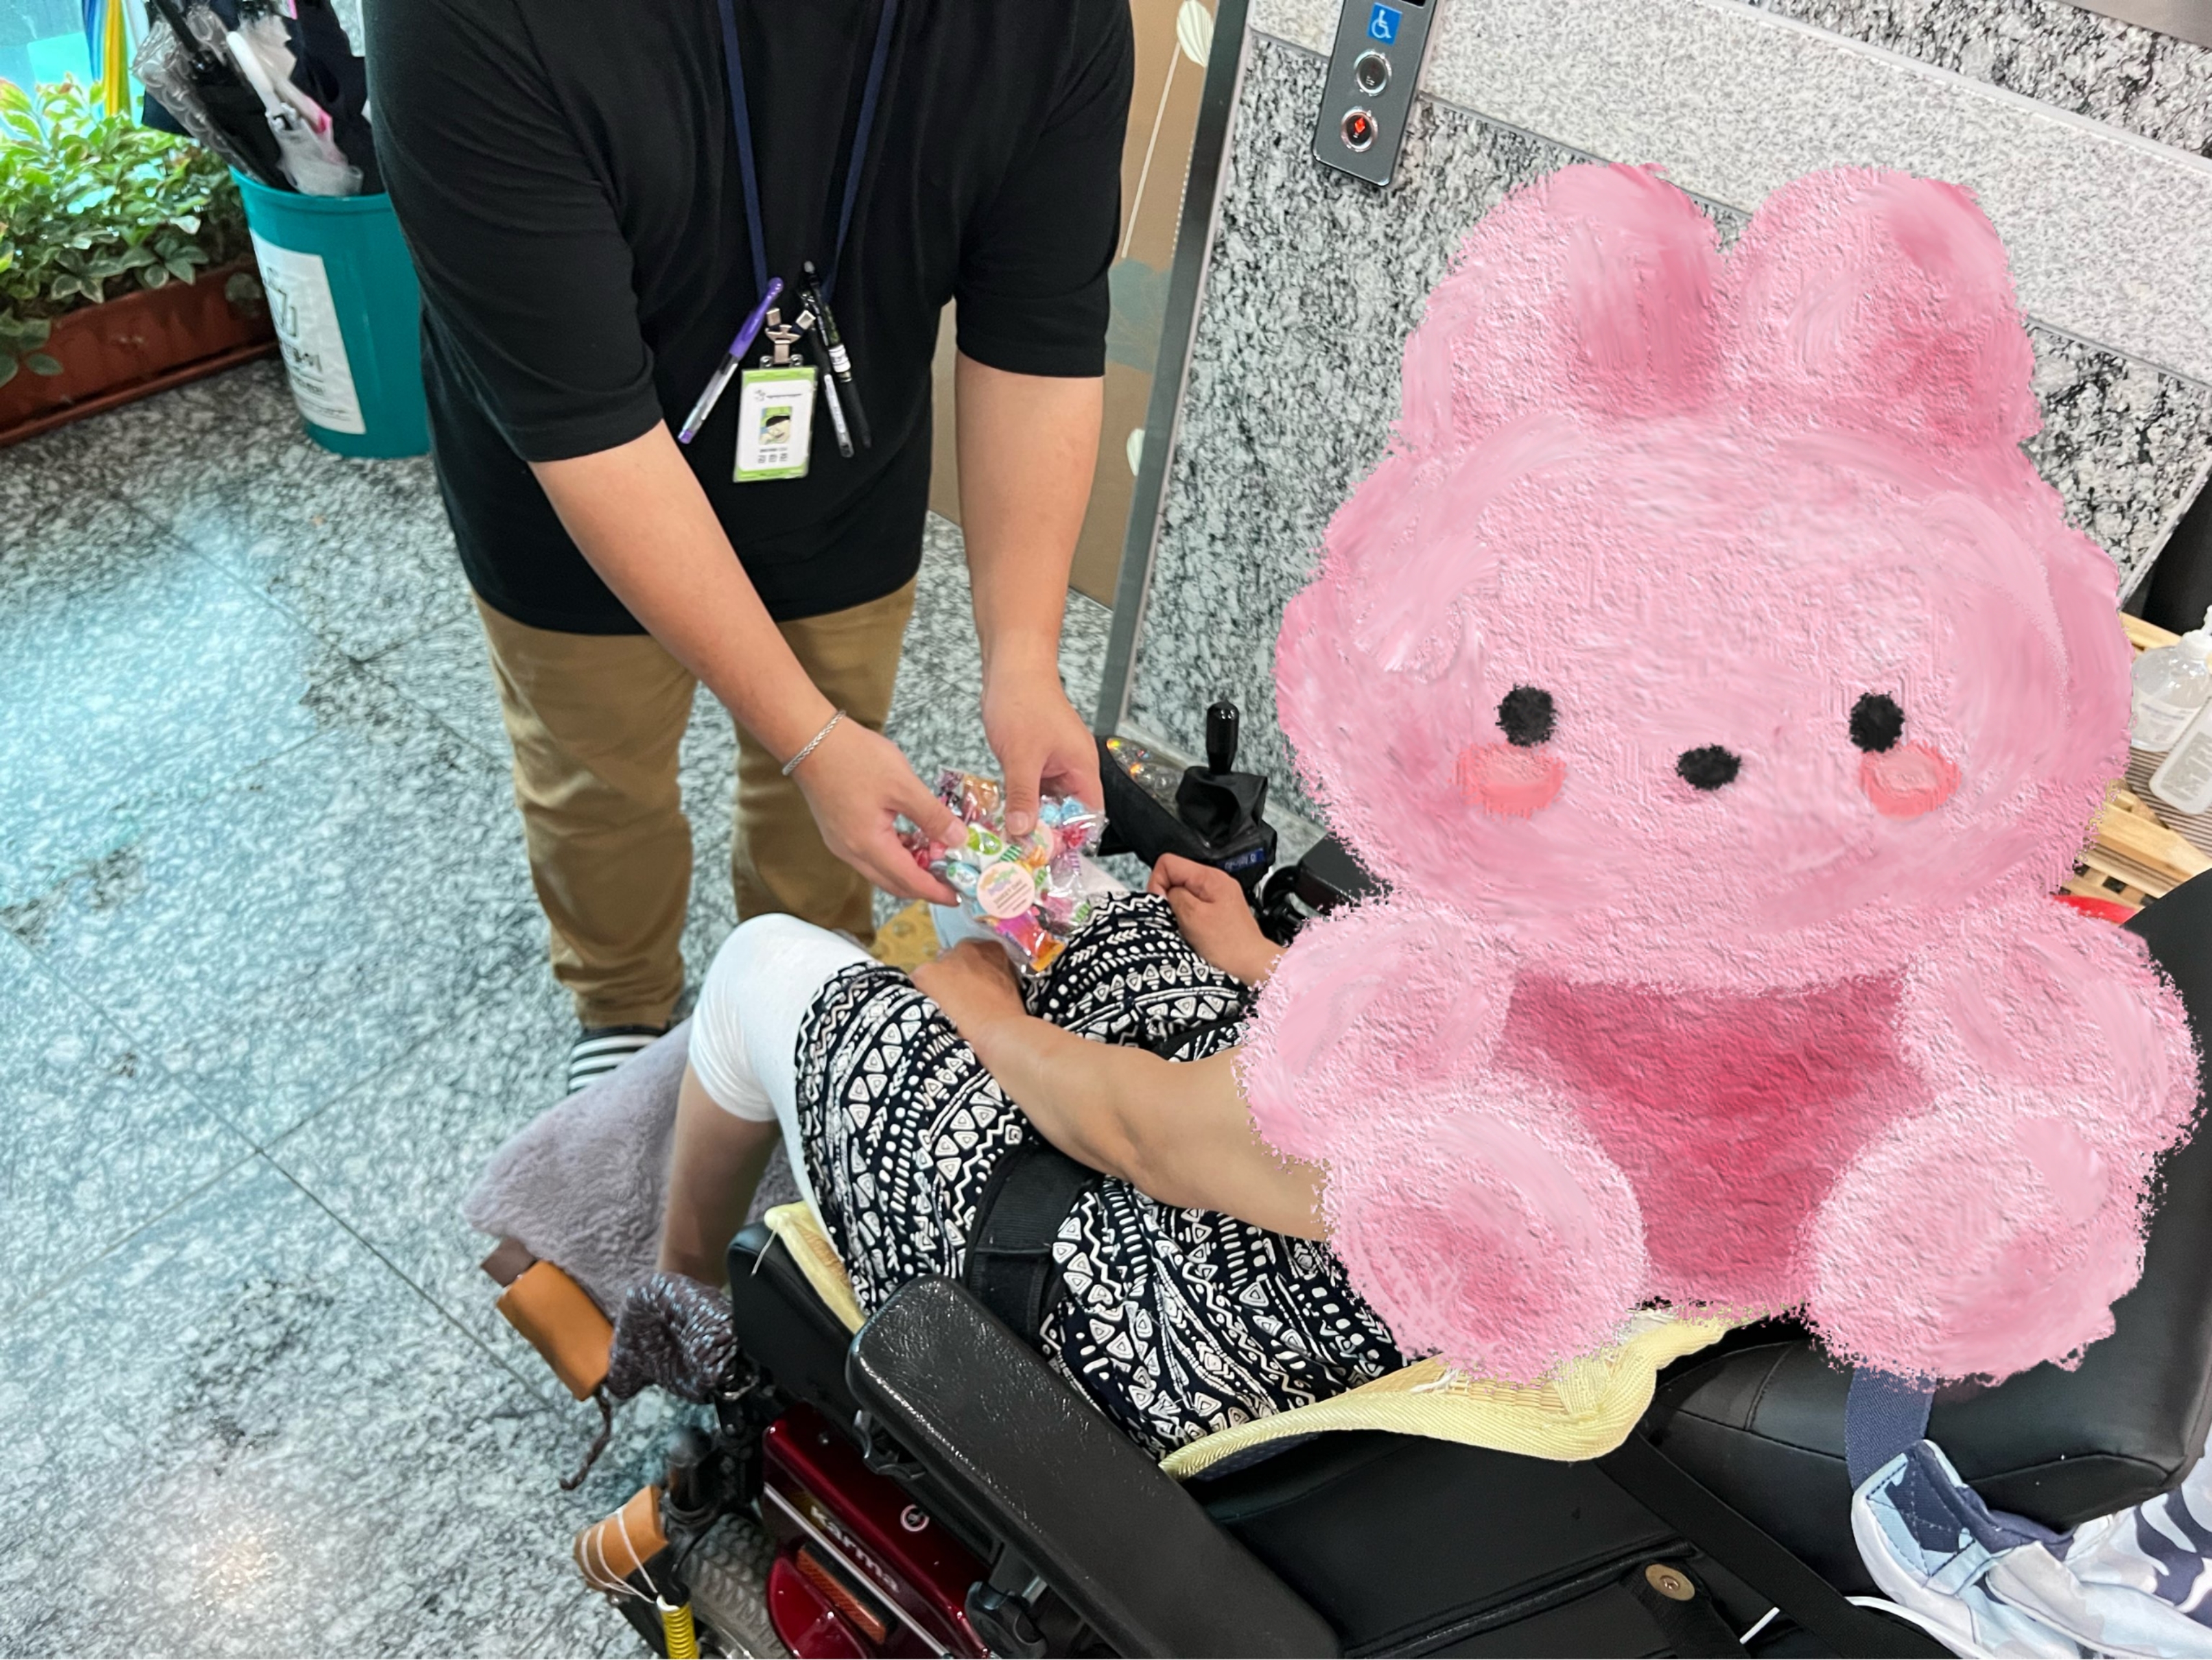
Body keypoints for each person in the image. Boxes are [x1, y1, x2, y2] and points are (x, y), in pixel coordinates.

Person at [367, 0, 1128, 1090]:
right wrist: (807, 741)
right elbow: (587, 430)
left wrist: (1023, 655)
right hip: (570, 504)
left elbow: (1038, 335)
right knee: (599, 783)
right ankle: (622, 1007)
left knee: (834, 793)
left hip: (845, 467)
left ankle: (801, 994)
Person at [655, 855, 1404, 1455]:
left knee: (756, 963)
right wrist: (1269, 964)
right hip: (1256, 1127)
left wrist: (986, 1019)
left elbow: (1143, 1135)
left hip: (1142, 1313)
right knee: (1005, 870)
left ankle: (682, 1310)